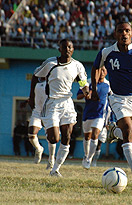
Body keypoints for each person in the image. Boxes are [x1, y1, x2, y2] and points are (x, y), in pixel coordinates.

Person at [91, 21, 132, 188]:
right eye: (120, 31)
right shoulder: (106, 53)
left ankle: (114, 131)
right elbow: (95, 68)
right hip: (118, 99)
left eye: (127, 31)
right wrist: (93, 89)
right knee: (128, 129)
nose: (124, 34)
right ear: (115, 34)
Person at [29, 39, 89, 177]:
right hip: (52, 103)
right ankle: (50, 157)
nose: (67, 49)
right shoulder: (50, 63)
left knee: (67, 135)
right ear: (59, 49)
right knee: (54, 138)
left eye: (70, 47)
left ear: (73, 49)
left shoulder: (77, 66)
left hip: (67, 102)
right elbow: (35, 76)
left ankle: (55, 169)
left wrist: (86, 91)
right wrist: (31, 97)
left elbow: (82, 82)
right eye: (64, 47)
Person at [77, 66, 111, 169]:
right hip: (87, 114)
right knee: (87, 137)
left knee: (95, 135)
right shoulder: (87, 82)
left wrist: (110, 119)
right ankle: (86, 155)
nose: (101, 72)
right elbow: (78, 96)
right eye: (99, 70)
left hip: (100, 115)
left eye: (103, 70)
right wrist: (86, 94)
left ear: (106, 72)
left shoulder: (108, 85)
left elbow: (112, 98)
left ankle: (89, 160)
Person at [21, 78, 56, 168]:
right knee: (31, 133)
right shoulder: (36, 82)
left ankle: (51, 160)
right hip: (37, 111)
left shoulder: (52, 81)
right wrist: (26, 102)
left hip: (49, 111)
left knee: (51, 136)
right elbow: (34, 96)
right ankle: (39, 149)